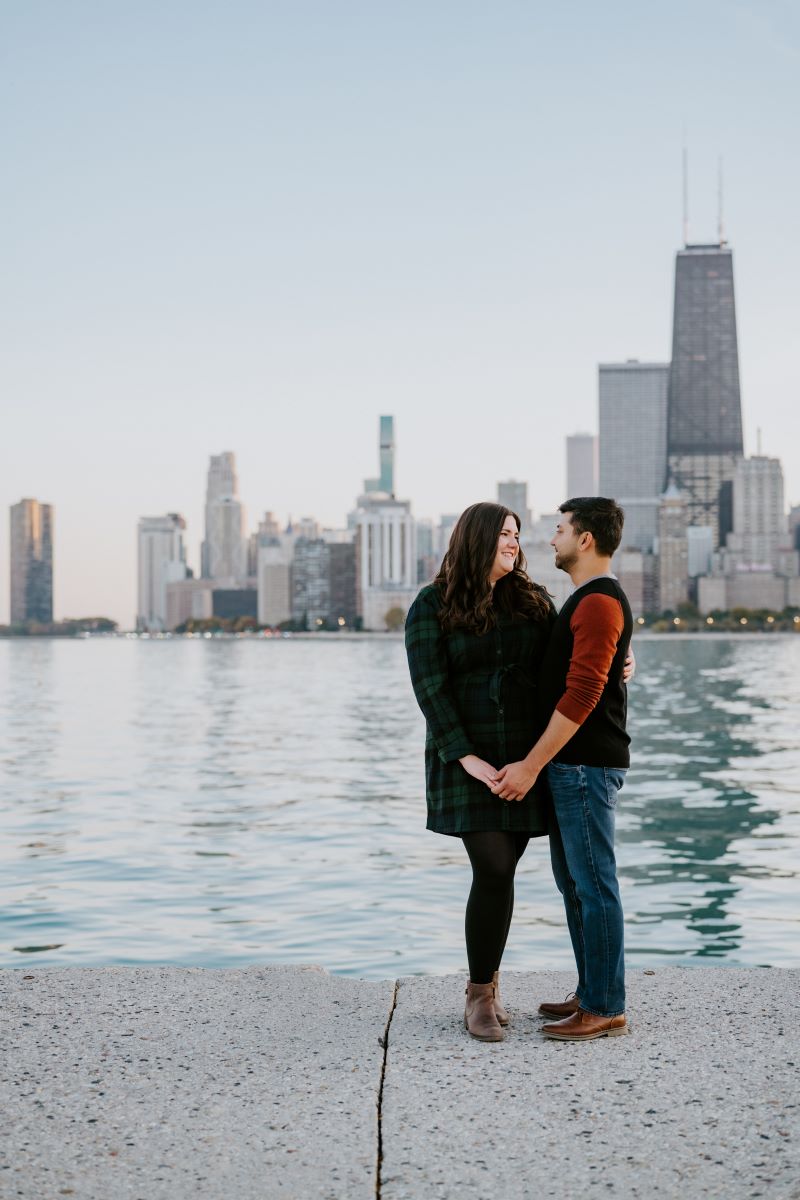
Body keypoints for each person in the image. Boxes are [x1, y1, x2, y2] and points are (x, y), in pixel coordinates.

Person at [404, 502, 556, 1042]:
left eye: (518, 535)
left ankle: (489, 983)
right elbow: (430, 689)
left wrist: (619, 659)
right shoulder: (431, 604)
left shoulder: (533, 603)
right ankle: (479, 996)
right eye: (503, 535)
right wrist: (466, 756)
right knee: (492, 864)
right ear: (476, 540)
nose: (514, 543)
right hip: (463, 758)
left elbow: (568, 663)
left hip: (524, 755)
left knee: (505, 867)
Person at [490, 497, 632, 1041]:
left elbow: (584, 692)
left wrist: (530, 765)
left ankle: (605, 1005)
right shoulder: (586, 601)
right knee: (575, 883)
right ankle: (592, 988)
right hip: (573, 767)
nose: (550, 539)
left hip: (583, 767)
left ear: (586, 539)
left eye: (559, 529)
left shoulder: (598, 602)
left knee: (594, 885)